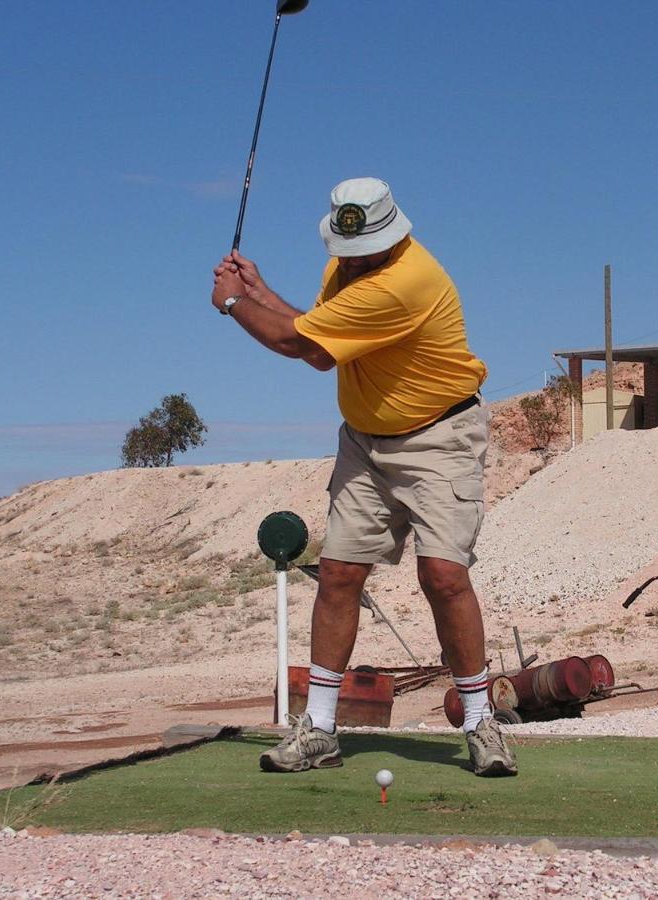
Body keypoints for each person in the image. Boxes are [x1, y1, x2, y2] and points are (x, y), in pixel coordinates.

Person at [211, 177, 517, 777]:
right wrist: (262, 290)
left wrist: (231, 302)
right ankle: (319, 729)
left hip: (439, 438)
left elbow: (304, 347)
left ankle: (482, 724)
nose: (357, 258)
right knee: (340, 572)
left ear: (395, 231)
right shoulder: (346, 268)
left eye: (369, 246)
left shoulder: (406, 281)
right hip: (364, 442)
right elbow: (322, 330)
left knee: (444, 576)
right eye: (349, 250)